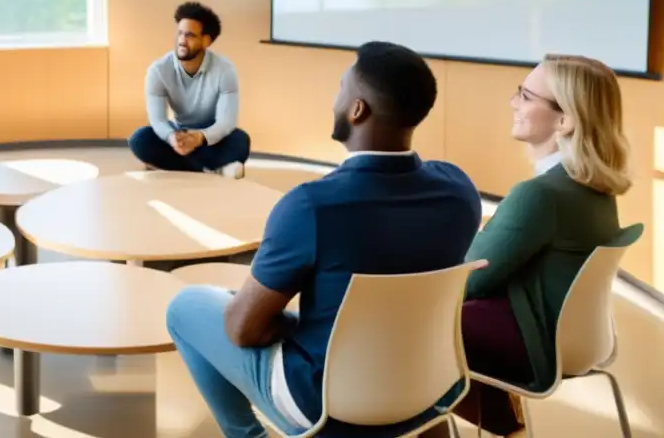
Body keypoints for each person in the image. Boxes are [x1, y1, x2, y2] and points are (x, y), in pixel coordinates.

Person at [165, 41, 482, 438]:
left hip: (324, 404)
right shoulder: (460, 192)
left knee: (187, 305)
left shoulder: (311, 206)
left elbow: (243, 331)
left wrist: (289, 325)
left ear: (357, 109)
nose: (336, 97)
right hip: (426, 390)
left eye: (341, 87)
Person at [419, 54, 631, 438]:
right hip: (574, 340)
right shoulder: (595, 190)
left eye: (526, 95)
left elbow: (468, 281)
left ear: (564, 121)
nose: (513, 103)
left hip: (536, 344)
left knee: (409, 324)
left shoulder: (541, 195)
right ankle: (509, 429)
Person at [129, 1, 250, 178]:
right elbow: (157, 119)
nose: (181, 41)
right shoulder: (158, 70)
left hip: (210, 136)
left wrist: (200, 137)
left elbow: (226, 122)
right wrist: (172, 137)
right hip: (178, 132)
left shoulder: (225, 70)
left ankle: (174, 166)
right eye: (179, 34)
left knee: (240, 140)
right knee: (139, 139)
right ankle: (212, 170)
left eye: (190, 36)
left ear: (206, 41)